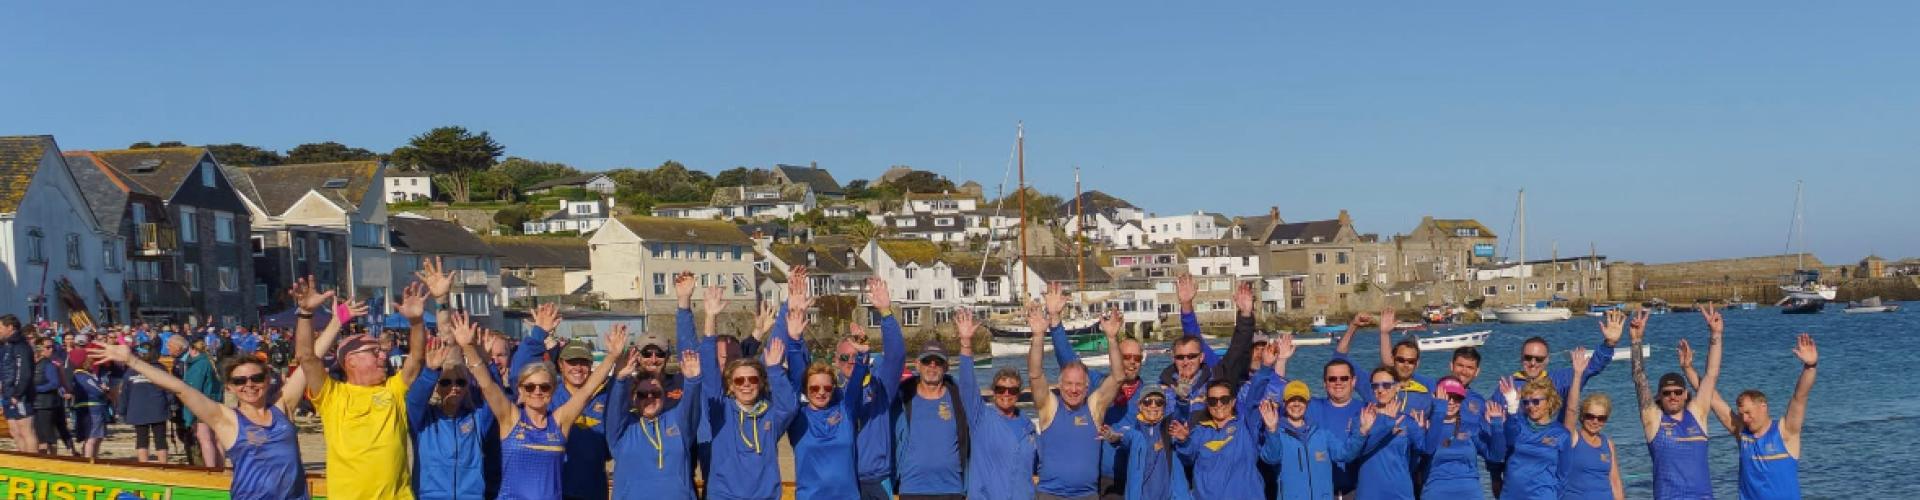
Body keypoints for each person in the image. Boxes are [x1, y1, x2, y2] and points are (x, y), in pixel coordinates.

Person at [89, 302, 342, 500]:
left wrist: (337, 320)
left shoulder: (282, 407)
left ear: (266, 381)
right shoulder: (227, 419)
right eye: (240, 382)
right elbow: (181, 389)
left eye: (255, 378)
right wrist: (132, 360)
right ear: (230, 387)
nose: (249, 385)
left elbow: (311, 358)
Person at [451, 311, 624, 500]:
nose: (537, 391)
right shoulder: (510, 417)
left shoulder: (559, 422)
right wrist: (468, 348)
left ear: (552, 391)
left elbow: (587, 391)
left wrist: (612, 356)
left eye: (544, 386)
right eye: (530, 387)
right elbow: (487, 385)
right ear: (521, 391)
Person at [294, 273, 432, 499]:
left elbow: (416, 358)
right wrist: (306, 314)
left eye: (381, 350)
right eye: (373, 351)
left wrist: (416, 322)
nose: (382, 356)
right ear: (350, 361)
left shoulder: (392, 389)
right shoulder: (332, 395)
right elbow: (306, 357)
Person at [1169, 286, 1274, 500]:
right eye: (1181, 357)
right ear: (1173, 359)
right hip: (1190, 474)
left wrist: (1245, 315)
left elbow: (1238, 349)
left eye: (1192, 356)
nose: (1186, 361)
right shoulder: (1162, 388)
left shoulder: (1218, 374)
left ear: (1201, 357)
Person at [1030, 289, 1130, 500]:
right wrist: (1038, 335)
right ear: (1059, 384)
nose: (1073, 390)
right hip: (1050, 494)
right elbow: (1035, 374)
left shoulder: (1094, 407)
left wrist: (1112, 338)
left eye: (1079, 385)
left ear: (1087, 387)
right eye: (1068, 384)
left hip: (1087, 495)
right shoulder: (1049, 406)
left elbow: (1119, 377)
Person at [1690, 334, 1817, 500]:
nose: (1744, 419)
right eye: (1741, 414)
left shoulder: (1786, 431)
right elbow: (1712, 399)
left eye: (1748, 413)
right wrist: (1687, 368)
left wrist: (1810, 366)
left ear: (1763, 407)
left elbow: (1800, 397)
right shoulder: (1743, 435)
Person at [698, 298, 797, 500]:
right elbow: (709, 371)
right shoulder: (719, 410)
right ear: (731, 385)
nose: (746, 384)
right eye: (740, 380)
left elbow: (788, 406)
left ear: (760, 383)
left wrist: (775, 370)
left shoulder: (770, 415)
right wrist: (710, 318)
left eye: (752, 379)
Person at [781, 279, 871, 500]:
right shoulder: (798, 416)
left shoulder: (846, 410)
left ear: (834, 388)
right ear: (806, 389)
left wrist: (862, 354)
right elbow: (796, 375)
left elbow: (857, 380)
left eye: (826, 387)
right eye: (814, 388)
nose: (821, 392)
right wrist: (793, 340)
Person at [1629, 307, 1721, 500]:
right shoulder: (1653, 421)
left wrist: (1715, 334)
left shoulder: (1697, 414)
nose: (1673, 396)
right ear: (1659, 397)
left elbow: (1711, 374)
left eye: (1678, 392)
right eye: (1667, 393)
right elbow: (1639, 378)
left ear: (1685, 394)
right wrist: (1636, 341)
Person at [949, 307, 1040, 500]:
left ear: (1019, 393)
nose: (1006, 394)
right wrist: (966, 343)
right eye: (1000, 389)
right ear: (993, 391)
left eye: (1012, 390)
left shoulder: (1029, 427)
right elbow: (967, 386)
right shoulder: (980, 418)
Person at [891, 303, 971, 500]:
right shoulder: (902, 397)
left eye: (938, 362)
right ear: (917, 364)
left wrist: (966, 342)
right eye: (927, 361)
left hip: (951, 489)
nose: (932, 367)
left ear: (946, 367)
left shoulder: (959, 397)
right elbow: (890, 363)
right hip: (912, 489)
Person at [606, 346, 703, 500]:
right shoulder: (623, 430)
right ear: (633, 398)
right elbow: (614, 408)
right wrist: (620, 379)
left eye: (656, 393)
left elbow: (691, 405)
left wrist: (692, 381)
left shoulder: (677, 422)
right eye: (642, 394)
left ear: (664, 396)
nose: (649, 398)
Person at [407, 338, 491, 500]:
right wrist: (431, 372)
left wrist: (484, 363)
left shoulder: (476, 418)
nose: (454, 387)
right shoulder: (424, 419)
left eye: (460, 382)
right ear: (437, 386)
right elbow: (414, 400)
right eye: (446, 382)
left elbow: (495, 397)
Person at [1496, 349, 1586, 500]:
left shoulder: (1561, 434)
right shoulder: (1518, 425)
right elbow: (1510, 437)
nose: (1531, 406)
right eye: (1526, 402)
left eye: (1536, 401)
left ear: (1549, 402)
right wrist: (1512, 406)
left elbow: (1563, 476)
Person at [1416, 376, 1505, 500]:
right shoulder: (1425, 425)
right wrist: (1438, 411)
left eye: (1456, 398)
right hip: (1435, 492)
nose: (1451, 402)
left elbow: (1496, 456)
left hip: (1470, 493)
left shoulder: (1470, 428)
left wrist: (1497, 426)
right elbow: (1427, 450)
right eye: (1446, 397)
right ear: (1435, 397)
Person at [1347, 366, 1429, 500]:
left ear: (1397, 387)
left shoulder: (1407, 420)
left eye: (1386, 385)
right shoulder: (1362, 418)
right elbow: (1356, 452)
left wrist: (1421, 431)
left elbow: (1420, 454)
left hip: (1400, 492)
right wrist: (1385, 424)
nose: (1380, 390)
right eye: (1375, 386)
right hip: (1369, 493)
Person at [1560, 362, 1624, 500]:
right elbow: (1571, 410)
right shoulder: (1572, 438)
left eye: (1601, 418)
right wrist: (1577, 376)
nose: (1595, 421)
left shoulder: (1608, 444)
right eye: (1590, 416)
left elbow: (1615, 482)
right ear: (1582, 416)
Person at [116, 343, 174, 463]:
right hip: (157, 407)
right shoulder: (159, 368)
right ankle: (163, 466)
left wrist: (122, 411)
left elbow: (124, 393)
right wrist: (172, 404)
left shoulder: (131, 371)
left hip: (139, 409)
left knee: (142, 439)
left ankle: (144, 466)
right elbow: (168, 388)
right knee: (160, 438)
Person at [173, 336, 225, 467]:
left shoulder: (199, 365)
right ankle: (220, 468)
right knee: (216, 440)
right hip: (215, 404)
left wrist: (189, 417)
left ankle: (211, 470)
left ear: (192, 349)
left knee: (205, 439)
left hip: (202, 407)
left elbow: (193, 391)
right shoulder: (209, 362)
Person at [1, 315, 39, 454]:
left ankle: (34, 464)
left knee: (25, 430)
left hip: (20, 395)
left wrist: (17, 393)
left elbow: (24, 372)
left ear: (10, 327)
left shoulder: (21, 346)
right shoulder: (6, 346)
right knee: (14, 431)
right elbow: (5, 370)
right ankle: (23, 459)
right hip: (8, 393)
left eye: (0, 327)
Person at [31, 336, 67, 455]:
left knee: (48, 437)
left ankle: (53, 459)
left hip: (46, 404)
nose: (51, 350)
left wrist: (36, 389)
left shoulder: (49, 365)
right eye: (48, 347)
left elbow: (55, 383)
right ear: (39, 349)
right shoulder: (35, 364)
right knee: (40, 436)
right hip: (37, 404)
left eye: (52, 347)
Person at [69, 361, 109, 459]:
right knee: (92, 438)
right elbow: (97, 391)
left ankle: (94, 459)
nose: (93, 365)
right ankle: (88, 460)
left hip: (91, 409)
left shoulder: (83, 376)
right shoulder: (84, 376)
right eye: (91, 363)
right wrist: (104, 390)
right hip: (93, 410)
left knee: (97, 438)